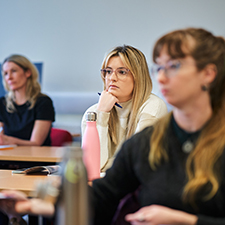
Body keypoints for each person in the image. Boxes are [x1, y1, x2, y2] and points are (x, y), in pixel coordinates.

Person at [1, 27, 225, 225]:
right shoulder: (149, 140)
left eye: (173, 66)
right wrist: (36, 206)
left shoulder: (160, 118)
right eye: (159, 68)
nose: (162, 77)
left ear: (208, 74)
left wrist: (186, 221)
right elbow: (104, 193)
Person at [81, 45, 168, 171]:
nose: (112, 78)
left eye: (122, 72)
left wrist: (107, 167)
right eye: (108, 71)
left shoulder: (153, 106)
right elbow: (92, 167)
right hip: (103, 185)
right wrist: (102, 113)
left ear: (138, 77)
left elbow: (138, 162)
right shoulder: (93, 112)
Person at [0, 54, 55, 146]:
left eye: (13, 71)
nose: (9, 77)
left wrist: (9, 141)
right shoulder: (2, 103)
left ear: (28, 73)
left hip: (34, 157)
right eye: (5, 73)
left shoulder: (43, 102)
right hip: (8, 157)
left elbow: (36, 143)